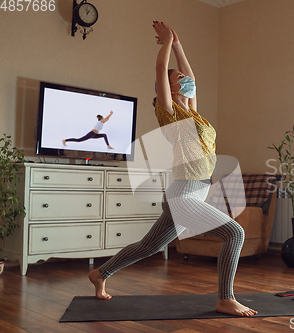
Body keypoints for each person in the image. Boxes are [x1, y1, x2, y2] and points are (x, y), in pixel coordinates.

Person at [88, 21, 257, 317]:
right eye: (180, 78)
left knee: (148, 247)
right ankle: (225, 298)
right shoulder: (168, 114)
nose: (188, 80)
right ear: (168, 87)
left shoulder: (195, 114)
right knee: (235, 233)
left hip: (192, 192)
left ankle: (100, 273)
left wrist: (178, 44)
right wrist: (166, 44)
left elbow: (192, 77)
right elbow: (160, 71)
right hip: (184, 195)